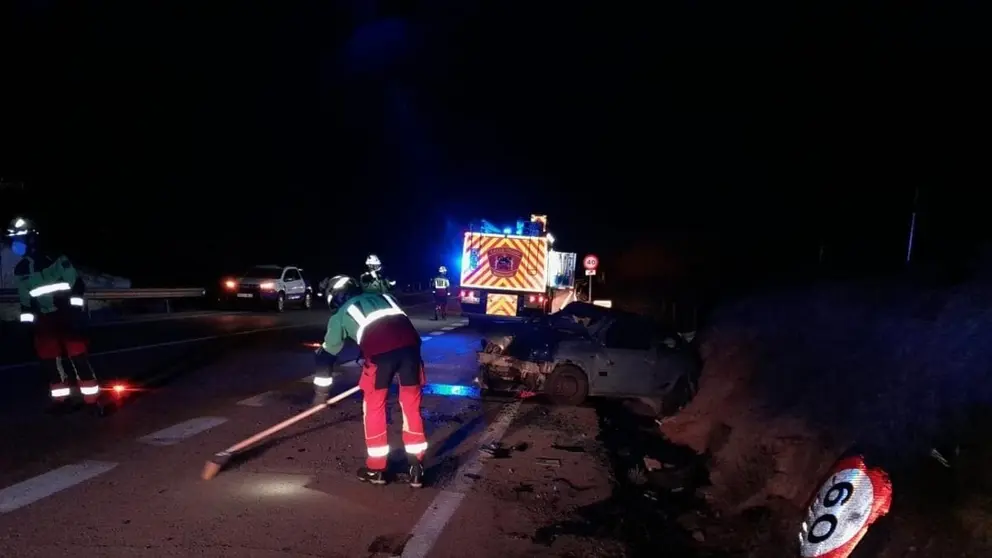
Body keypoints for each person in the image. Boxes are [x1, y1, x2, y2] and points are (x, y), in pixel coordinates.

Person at [314, 274, 428, 487]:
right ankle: (416, 468)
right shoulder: (386, 297)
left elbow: (326, 356)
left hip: (380, 356)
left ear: (334, 296)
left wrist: (321, 394)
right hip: (411, 351)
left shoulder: (340, 314)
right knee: (411, 407)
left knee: (374, 408)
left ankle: (376, 469)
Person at [6, 216, 101, 410]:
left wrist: (74, 312)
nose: (17, 243)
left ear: (33, 238)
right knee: (49, 361)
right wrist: (28, 325)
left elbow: (76, 285)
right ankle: (61, 400)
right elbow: (26, 300)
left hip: (66, 314)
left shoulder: (56, 259)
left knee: (78, 357)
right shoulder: (21, 270)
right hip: (44, 319)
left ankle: (91, 401)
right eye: (14, 238)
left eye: (21, 238)